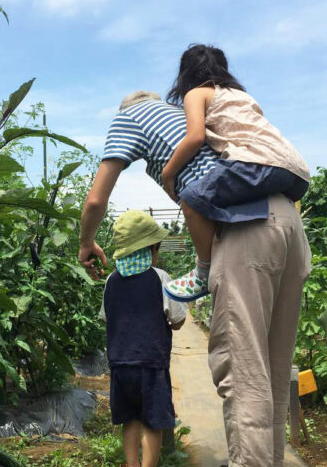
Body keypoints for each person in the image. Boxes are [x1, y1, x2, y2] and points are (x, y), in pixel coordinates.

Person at [161, 44, 310, 302]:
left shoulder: (196, 93)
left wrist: (168, 172)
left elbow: (194, 137)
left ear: (185, 73)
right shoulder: (241, 96)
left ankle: (203, 272)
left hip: (258, 163)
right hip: (295, 172)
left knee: (192, 199)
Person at [78, 89, 220, 280]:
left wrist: (86, 243)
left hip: (220, 213)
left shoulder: (127, 117)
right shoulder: (179, 111)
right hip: (254, 192)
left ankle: (204, 274)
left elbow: (96, 200)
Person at [100, 210, 186, 467]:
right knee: (152, 421)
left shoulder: (111, 281)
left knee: (130, 419)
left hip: (120, 365)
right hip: (151, 365)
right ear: (151, 250)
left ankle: (131, 464)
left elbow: (108, 317)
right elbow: (178, 320)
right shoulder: (160, 279)